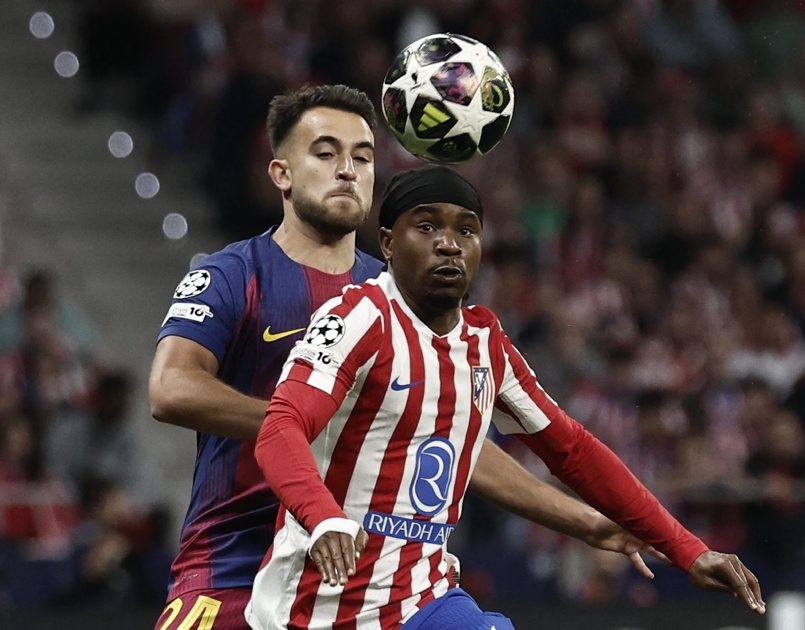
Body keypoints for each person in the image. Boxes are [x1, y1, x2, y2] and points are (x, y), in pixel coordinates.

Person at [149, 85, 665, 629]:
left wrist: (587, 521)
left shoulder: (405, 295)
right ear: (282, 174)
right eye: (325, 153)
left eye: (362, 157)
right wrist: (323, 423)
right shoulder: (234, 274)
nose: (347, 170)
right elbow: (171, 388)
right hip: (232, 565)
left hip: (367, 589)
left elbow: (454, 440)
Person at [247, 164, 767, 628]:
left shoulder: (484, 344)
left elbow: (573, 450)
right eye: (426, 227)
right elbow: (280, 427)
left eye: (466, 230)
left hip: (423, 599)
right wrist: (324, 515)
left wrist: (687, 549)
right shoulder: (359, 318)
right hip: (321, 607)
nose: (449, 244)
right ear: (387, 242)